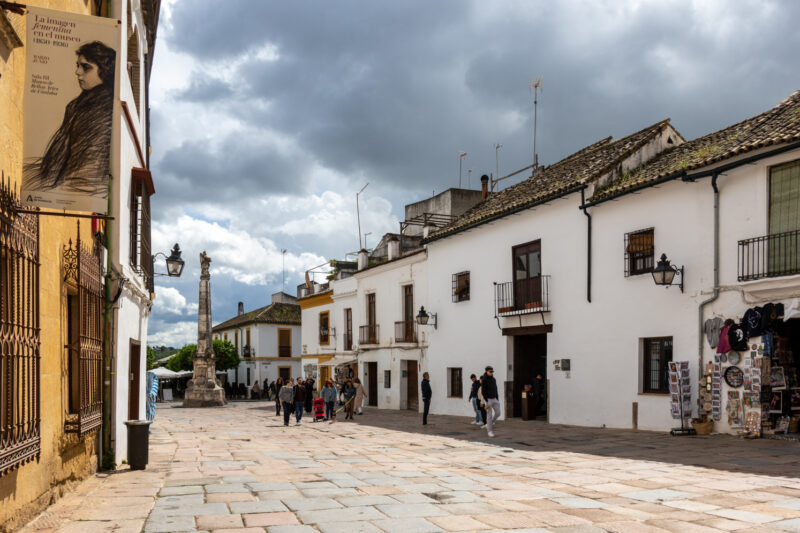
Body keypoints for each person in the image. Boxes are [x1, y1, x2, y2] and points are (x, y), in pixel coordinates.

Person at [24, 41, 116, 196]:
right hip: (58, 180)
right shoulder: (77, 105)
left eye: (86, 67)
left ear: (104, 71)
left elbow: (88, 172)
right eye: (78, 65)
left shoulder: (102, 110)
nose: (78, 72)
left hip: (76, 188)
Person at [482, 366, 500, 437]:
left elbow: (496, 389)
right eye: (490, 371)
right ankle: (489, 431)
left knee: (498, 413)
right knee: (489, 416)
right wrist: (486, 401)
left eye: (492, 371)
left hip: (494, 398)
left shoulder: (493, 379)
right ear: (486, 371)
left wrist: (497, 398)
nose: (491, 373)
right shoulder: (484, 380)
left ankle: (489, 424)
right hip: (488, 399)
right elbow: (483, 391)